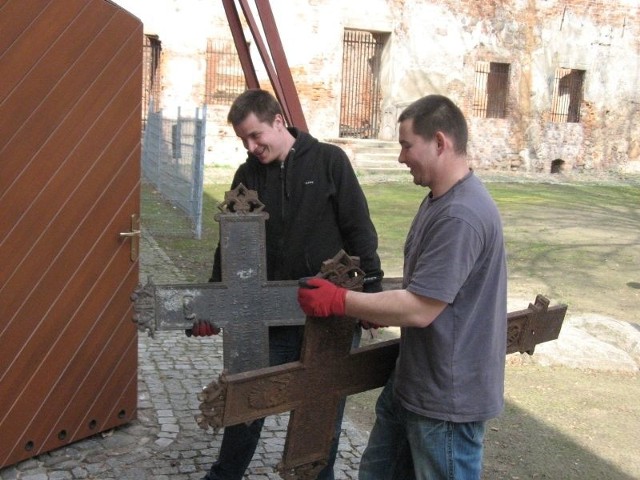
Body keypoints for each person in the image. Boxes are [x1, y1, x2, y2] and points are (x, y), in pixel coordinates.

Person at [297, 94, 508, 480]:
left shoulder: (461, 214)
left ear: (440, 143)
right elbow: (426, 286)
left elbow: (419, 308)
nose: (401, 157)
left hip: (447, 399)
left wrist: (340, 300)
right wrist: (370, 305)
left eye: (406, 145)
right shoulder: (439, 201)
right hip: (414, 382)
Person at [190, 88, 384, 480]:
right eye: (243, 139)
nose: (251, 146)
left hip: (328, 316)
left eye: (255, 135)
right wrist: (216, 301)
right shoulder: (247, 174)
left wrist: (372, 291)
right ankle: (224, 475)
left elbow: (359, 230)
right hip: (269, 317)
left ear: (278, 122)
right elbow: (230, 242)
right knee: (249, 399)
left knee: (322, 413)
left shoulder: (330, 162)